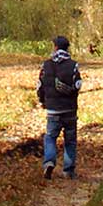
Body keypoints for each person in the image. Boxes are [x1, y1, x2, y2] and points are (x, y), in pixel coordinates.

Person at [36, 35, 82, 180]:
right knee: (70, 140)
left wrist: (42, 101)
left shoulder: (46, 65)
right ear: (67, 48)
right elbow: (77, 85)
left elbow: (40, 86)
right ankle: (68, 170)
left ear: (55, 47)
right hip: (69, 109)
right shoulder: (73, 65)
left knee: (50, 137)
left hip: (52, 109)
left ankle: (49, 161)